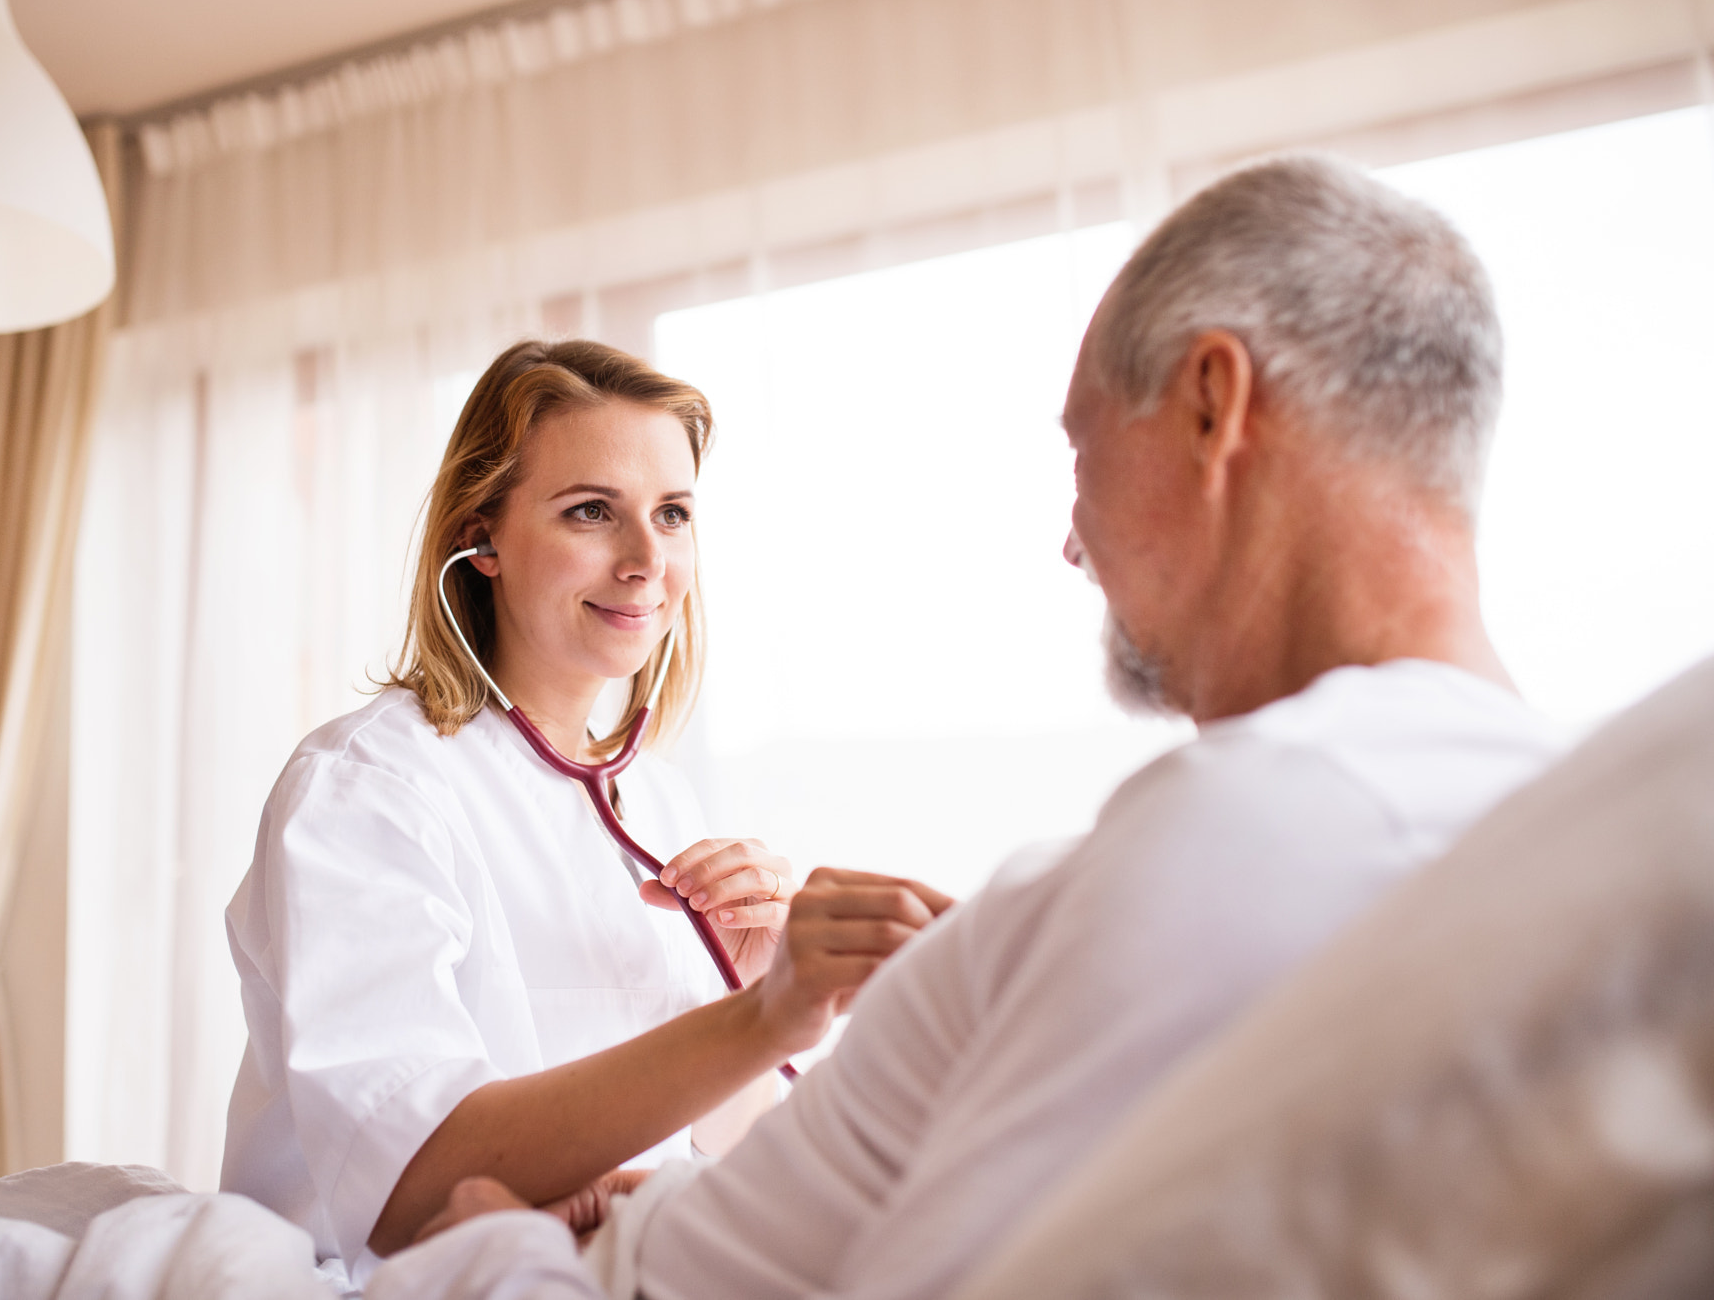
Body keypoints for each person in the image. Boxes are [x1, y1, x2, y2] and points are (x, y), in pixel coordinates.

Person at [361, 154, 1572, 1300]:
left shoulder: (1237, 835)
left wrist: (497, 1261)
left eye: (1081, 451)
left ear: (1212, 405)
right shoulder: (1536, 816)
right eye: (592, 512)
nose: (1069, 539)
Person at [219, 339, 951, 1293]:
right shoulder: (366, 788)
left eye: (673, 513)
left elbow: (708, 1152)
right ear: (480, 537)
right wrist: (763, 1021)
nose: (649, 560)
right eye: (592, 511)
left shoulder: (655, 795)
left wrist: (748, 993)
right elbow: (409, 1187)